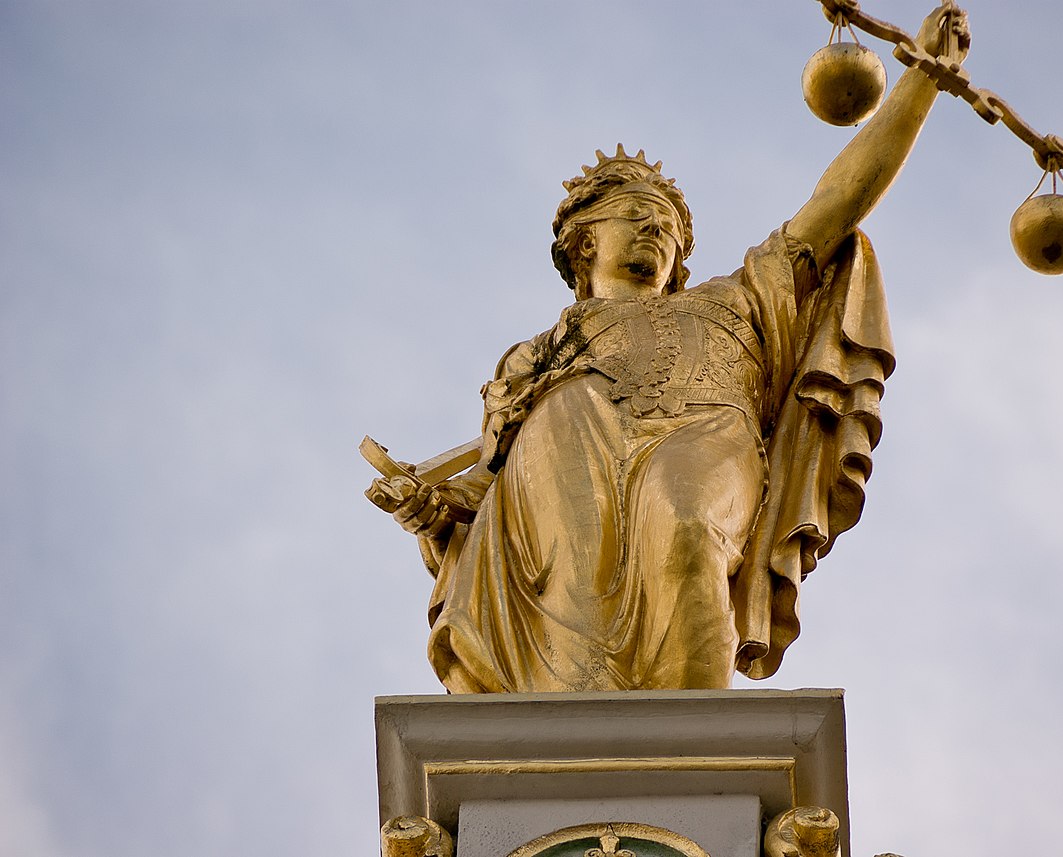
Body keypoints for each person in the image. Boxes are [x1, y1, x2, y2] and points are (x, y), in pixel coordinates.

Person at [371, 5, 969, 693]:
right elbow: (494, 478)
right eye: (636, 216)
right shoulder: (533, 355)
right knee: (571, 603)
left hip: (705, 428)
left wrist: (922, 80)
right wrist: (434, 508)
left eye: (669, 228)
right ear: (586, 241)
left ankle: (695, 750)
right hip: (569, 452)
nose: (656, 232)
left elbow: (836, 201)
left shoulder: (733, 301)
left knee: (686, 529)